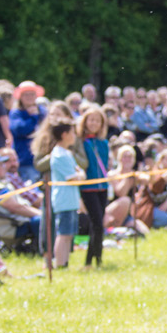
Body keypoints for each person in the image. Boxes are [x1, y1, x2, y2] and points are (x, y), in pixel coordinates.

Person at [76, 108, 111, 266]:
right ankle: (91, 260)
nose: (94, 123)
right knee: (96, 223)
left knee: (99, 224)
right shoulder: (81, 143)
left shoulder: (103, 143)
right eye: (91, 120)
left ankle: (96, 258)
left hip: (102, 187)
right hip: (87, 188)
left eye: (97, 120)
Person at [46, 121, 81, 268]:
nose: (75, 136)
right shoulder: (59, 155)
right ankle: (60, 263)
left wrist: (79, 174)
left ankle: (64, 262)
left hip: (71, 199)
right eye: (72, 132)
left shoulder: (66, 153)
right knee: (63, 233)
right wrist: (80, 175)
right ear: (64, 135)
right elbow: (74, 177)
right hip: (64, 200)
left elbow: (78, 172)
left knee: (69, 234)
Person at [8, 82, 46, 180]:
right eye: (26, 94)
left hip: (43, 158)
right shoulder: (16, 113)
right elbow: (20, 129)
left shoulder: (43, 111)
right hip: (26, 159)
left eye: (32, 94)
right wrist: (33, 117)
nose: (29, 97)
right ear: (20, 96)